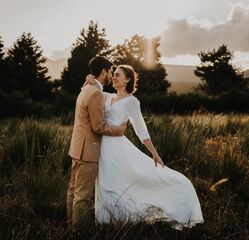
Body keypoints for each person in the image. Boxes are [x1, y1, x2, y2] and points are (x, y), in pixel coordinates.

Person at [85, 65, 204, 230]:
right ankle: (107, 221)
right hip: (102, 147)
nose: (114, 77)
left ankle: (119, 221)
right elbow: (89, 92)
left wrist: (154, 154)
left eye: (118, 75)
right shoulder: (106, 96)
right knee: (106, 183)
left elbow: (141, 130)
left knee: (123, 181)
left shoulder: (132, 102)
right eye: (114, 75)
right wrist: (89, 79)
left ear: (127, 79)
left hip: (117, 147)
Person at [66, 56, 127, 237]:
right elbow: (98, 126)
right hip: (88, 150)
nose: (111, 75)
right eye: (110, 71)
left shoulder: (87, 87)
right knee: (83, 195)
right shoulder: (95, 93)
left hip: (77, 147)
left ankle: (70, 227)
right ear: (102, 72)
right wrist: (119, 130)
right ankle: (79, 233)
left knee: (73, 190)